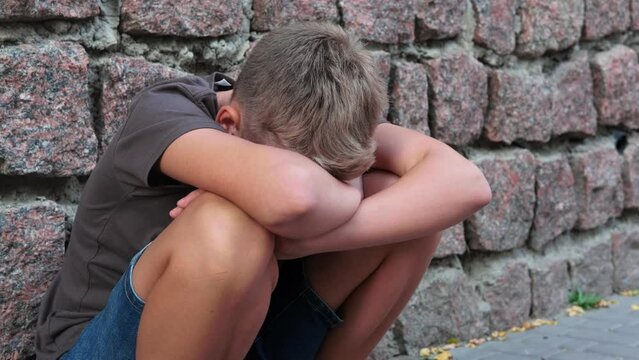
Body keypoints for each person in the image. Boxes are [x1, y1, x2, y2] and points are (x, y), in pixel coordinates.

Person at [36, 22, 491, 360]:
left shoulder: (320, 116)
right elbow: (293, 196)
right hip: (106, 345)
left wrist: (311, 236)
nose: (329, 184)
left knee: (406, 211)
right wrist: (346, 186)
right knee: (231, 222)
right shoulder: (165, 112)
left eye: (337, 174)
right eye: (321, 175)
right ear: (228, 125)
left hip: (242, 334)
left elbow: (465, 183)